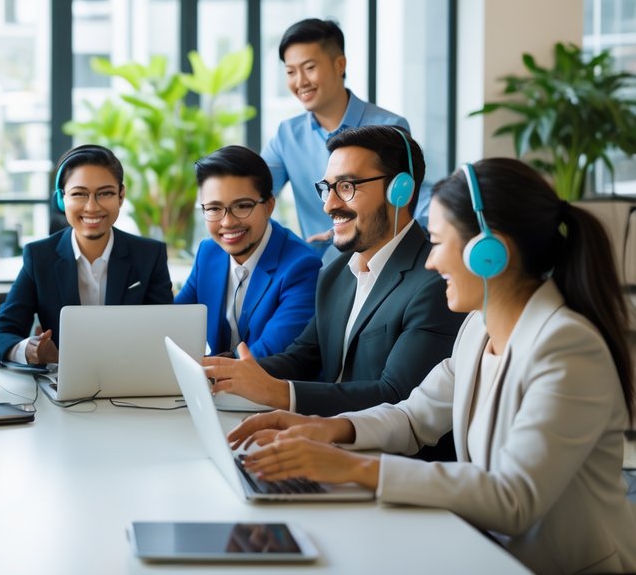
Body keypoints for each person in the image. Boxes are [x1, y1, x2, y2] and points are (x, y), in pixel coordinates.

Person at [228, 158, 636, 574]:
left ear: (491, 252)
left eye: (439, 243)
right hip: (489, 554)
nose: (430, 262)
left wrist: (353, 467)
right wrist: (330, 429)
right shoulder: (479, 328)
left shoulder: (567, 348)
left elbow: (514, 499)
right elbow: (413, 416)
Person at [202, 125, 463, 417]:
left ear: (400, 191)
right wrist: (225, 373)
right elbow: (303, 357)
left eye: (347, 187)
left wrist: (279, 393)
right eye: (328, 188)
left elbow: (396, 395)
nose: (329, 205)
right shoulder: (337, 272)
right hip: (321, 438)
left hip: (382, 456)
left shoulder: (435, 281)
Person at [262, 18, 429, 259]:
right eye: (290, 72)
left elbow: (406, 205)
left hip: (378, 266)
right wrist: (291, 247)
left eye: (309, 68)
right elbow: (255, 197)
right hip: (317, 274)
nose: (300, 82)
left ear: (340, 65)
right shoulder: (286, 135)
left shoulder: (390, 128)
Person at [0, 145, 174, 364]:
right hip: (62, 383)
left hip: (132, 378)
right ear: (62, 199)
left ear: (121, 196)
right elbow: (2, 333)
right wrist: (28, 351)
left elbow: (167, 333)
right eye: (79, 194)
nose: (92, 207)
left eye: (105, 193)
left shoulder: (149, 255)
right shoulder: (40, 256)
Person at [175, 145, 322, 357]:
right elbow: (174, 322)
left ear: (269, 206)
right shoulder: (209, 252)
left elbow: (267, 354)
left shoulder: (302, 266)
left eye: (242, 206)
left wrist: (201, 368)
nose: (227, 222)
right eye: (214, 208)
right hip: (212, 385)